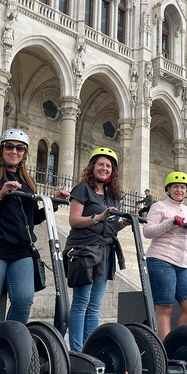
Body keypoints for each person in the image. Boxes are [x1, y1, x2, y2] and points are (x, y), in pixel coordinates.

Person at [0, 129, 56, 345]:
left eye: (19, 148)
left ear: (25, 153)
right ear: (2, 149)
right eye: (9, 146)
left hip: (21, 248)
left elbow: (30, 218)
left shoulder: (27, 182)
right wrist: (0, 194)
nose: (14, 151)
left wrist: (51, 204)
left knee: (24, 299)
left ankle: (10, 344)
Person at [64, 147, 128, 352]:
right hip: (84, 250)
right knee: (81, 303)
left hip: (105, 252)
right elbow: (74, 220)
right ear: (92, 167)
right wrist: (98, 217)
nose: (104, 168)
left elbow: (110, 226)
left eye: (108, 166)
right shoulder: (83, 189)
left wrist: (123, 224)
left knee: (94, 307)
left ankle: (89, 351)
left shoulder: (113, 196)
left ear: (113, 171)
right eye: (100, 164)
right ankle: (76, 350)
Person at [143, 171, 187, 339]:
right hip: (160, 260)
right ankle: (165, 349)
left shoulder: (186, 210)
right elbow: (147, 231)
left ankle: (176, 341)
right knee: (165, 307)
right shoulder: (159, 206)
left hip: (182, 263)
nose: (179, 190)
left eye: (183, 187)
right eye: (175, 186)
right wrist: (171, 222)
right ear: (168, 189)